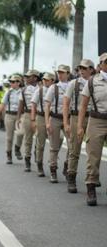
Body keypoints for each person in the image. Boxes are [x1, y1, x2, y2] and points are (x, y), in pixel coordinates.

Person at [77, 52, 107, 206]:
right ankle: (91, 187)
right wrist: (80, 126)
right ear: (100, 65)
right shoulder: (92, 82)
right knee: (93, 156)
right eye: (105, 62)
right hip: (96, 121)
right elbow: (83, 106)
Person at [63, 59, 95, 193]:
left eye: (85, 68)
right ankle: (71, 177)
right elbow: (66, 103)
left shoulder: (96, 82)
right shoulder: (73, 83)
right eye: (80, 68)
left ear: (91, 69)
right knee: (74, 149)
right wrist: (66, 122)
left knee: (93, 151)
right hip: (76, 117)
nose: (82, 70)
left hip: (93, 118)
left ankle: (93, 179)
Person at [44, 65, 71, 183]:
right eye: (58, 72)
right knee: (54, 147)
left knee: (72, 146)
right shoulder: (54, 87)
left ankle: (67, 165)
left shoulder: (72, 86)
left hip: (69, 119)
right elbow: (47, 105)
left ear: (68, 74)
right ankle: (53, 171)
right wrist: (47, 123)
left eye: (62, 72)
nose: (60, 74)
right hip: (54, 118)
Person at [0, 74, 23, 164]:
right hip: (9, 115)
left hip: (19, 116)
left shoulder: (23, 92)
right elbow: (2, 104)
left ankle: (17, 148)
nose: (12, 83)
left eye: (14, 82)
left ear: (18, 82)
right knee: (9, 137)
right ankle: (9, 155)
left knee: (20, 133)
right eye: (11, 82)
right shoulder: (8, 92)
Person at [30, 72, 55, 177]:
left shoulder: (56, 89)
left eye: (47, 80)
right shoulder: (39, 91)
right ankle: (39, 164)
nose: (45, 81)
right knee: (41, 142)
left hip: (53, 117)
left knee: (56, 141)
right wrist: (33, 120)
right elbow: (33, 105)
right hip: (40, 117)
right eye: (44, 79)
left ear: (52, 81)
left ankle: (53, 164)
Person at [17, 70, 40, 172]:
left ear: (35, 78)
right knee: (28, 138)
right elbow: (21, 104)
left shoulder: (42, 89)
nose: (26, 78)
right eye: (26, 76)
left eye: (29, 76)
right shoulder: (24, 90)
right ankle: (27, 160)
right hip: (27, 114)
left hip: (39, 115)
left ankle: (37, 156)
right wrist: (18, 118)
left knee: (39, 138)